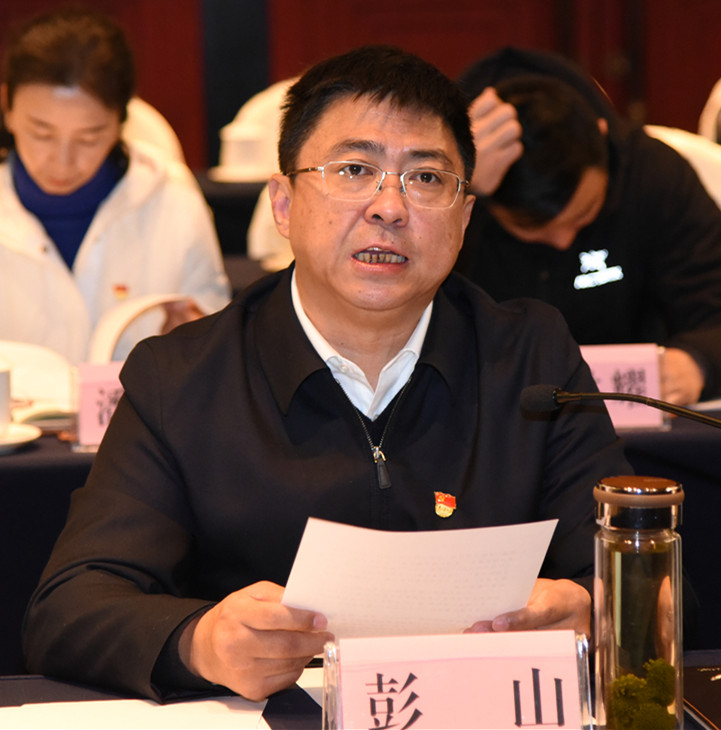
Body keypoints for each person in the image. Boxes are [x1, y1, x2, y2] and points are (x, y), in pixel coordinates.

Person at [23, 45, 631, 703]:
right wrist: (200, 641)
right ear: (283, 204)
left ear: (463, 217)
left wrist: (590, 611)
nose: (389, 207)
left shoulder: (532, 358)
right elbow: (71, 608)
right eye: (353, 170)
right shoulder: (182, 376)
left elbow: (646, 580)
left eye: (426, 178)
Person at [455, 46, 721, 406]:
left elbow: (713, 305)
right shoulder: (455, 194)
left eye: (583, 215)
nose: (564, 241)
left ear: (602, 136)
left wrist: (698, 361)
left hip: (631, 419)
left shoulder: (651, 175)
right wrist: (453, 192)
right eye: (534, 229)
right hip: (485, 413)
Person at [0, 8, 230, 363]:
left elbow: (215, 331)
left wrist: (195, 341)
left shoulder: (172, 197)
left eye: (89, 138)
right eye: (41, 134)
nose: (62, 161)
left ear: (122, 121)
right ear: (8, 108)